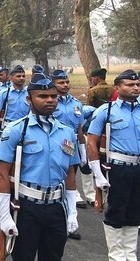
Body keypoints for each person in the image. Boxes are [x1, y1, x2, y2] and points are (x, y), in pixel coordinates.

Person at [0, 73, 80, 261]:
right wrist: (4, 215)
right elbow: (2, 174)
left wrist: (73, 210)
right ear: (29, 99)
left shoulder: (66, 131)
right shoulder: (16, 131)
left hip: (55, 206)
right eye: (43, 96)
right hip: (26, 207)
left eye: (53, 96)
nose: (50, 100)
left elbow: (70, 173)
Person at [87, 69, 140, 261]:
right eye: (129, 85)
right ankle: (116, 258)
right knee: (116, 211)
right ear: (118, 88)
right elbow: (91, 141)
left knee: (135, 212)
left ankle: (131, 257)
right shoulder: (106, 111)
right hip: (118, 167)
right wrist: (97, 173)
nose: (135, 88)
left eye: (137, 85)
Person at [51, 70, 88, 240]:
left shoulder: (76, 104)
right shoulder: (49, 102)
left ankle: (71, 220)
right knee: (56, 183)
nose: (65, 85)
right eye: (61, 82)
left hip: (71, 145)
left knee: (71, 181)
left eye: (66, 82)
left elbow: (80, 129)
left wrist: (83, 151)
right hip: (54, 145)